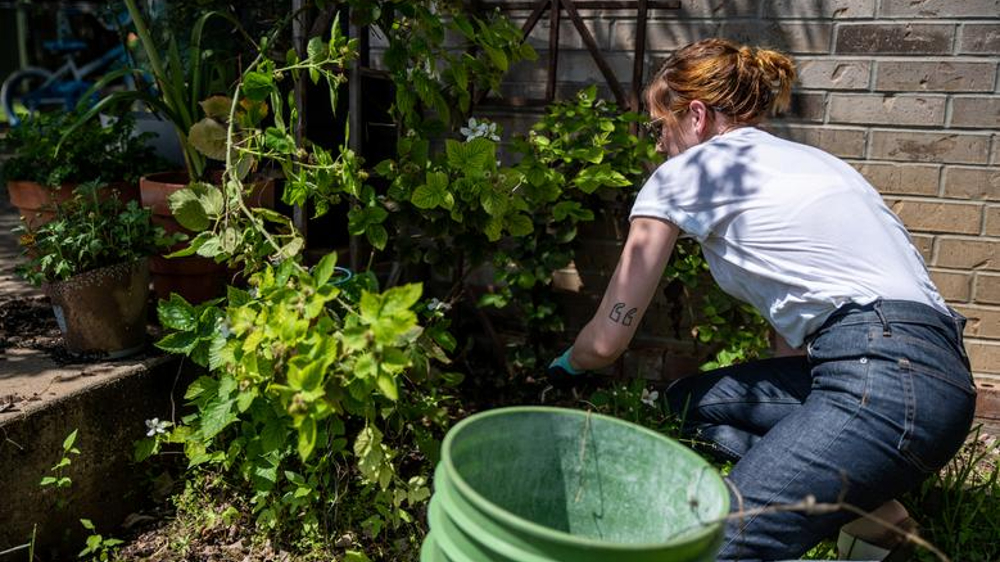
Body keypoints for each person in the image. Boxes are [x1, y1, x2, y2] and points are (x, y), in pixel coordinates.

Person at [548, 38, 976, 562]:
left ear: (697, 116)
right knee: (689, 404)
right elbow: (795, 346)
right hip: (940, 380)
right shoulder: (815, 163)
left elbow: (608, 341)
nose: (658, 144)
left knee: (711, 546)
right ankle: (881, 532)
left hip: (878, 382)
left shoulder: (687, 173)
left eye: (659, 126)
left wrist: (566, 367)